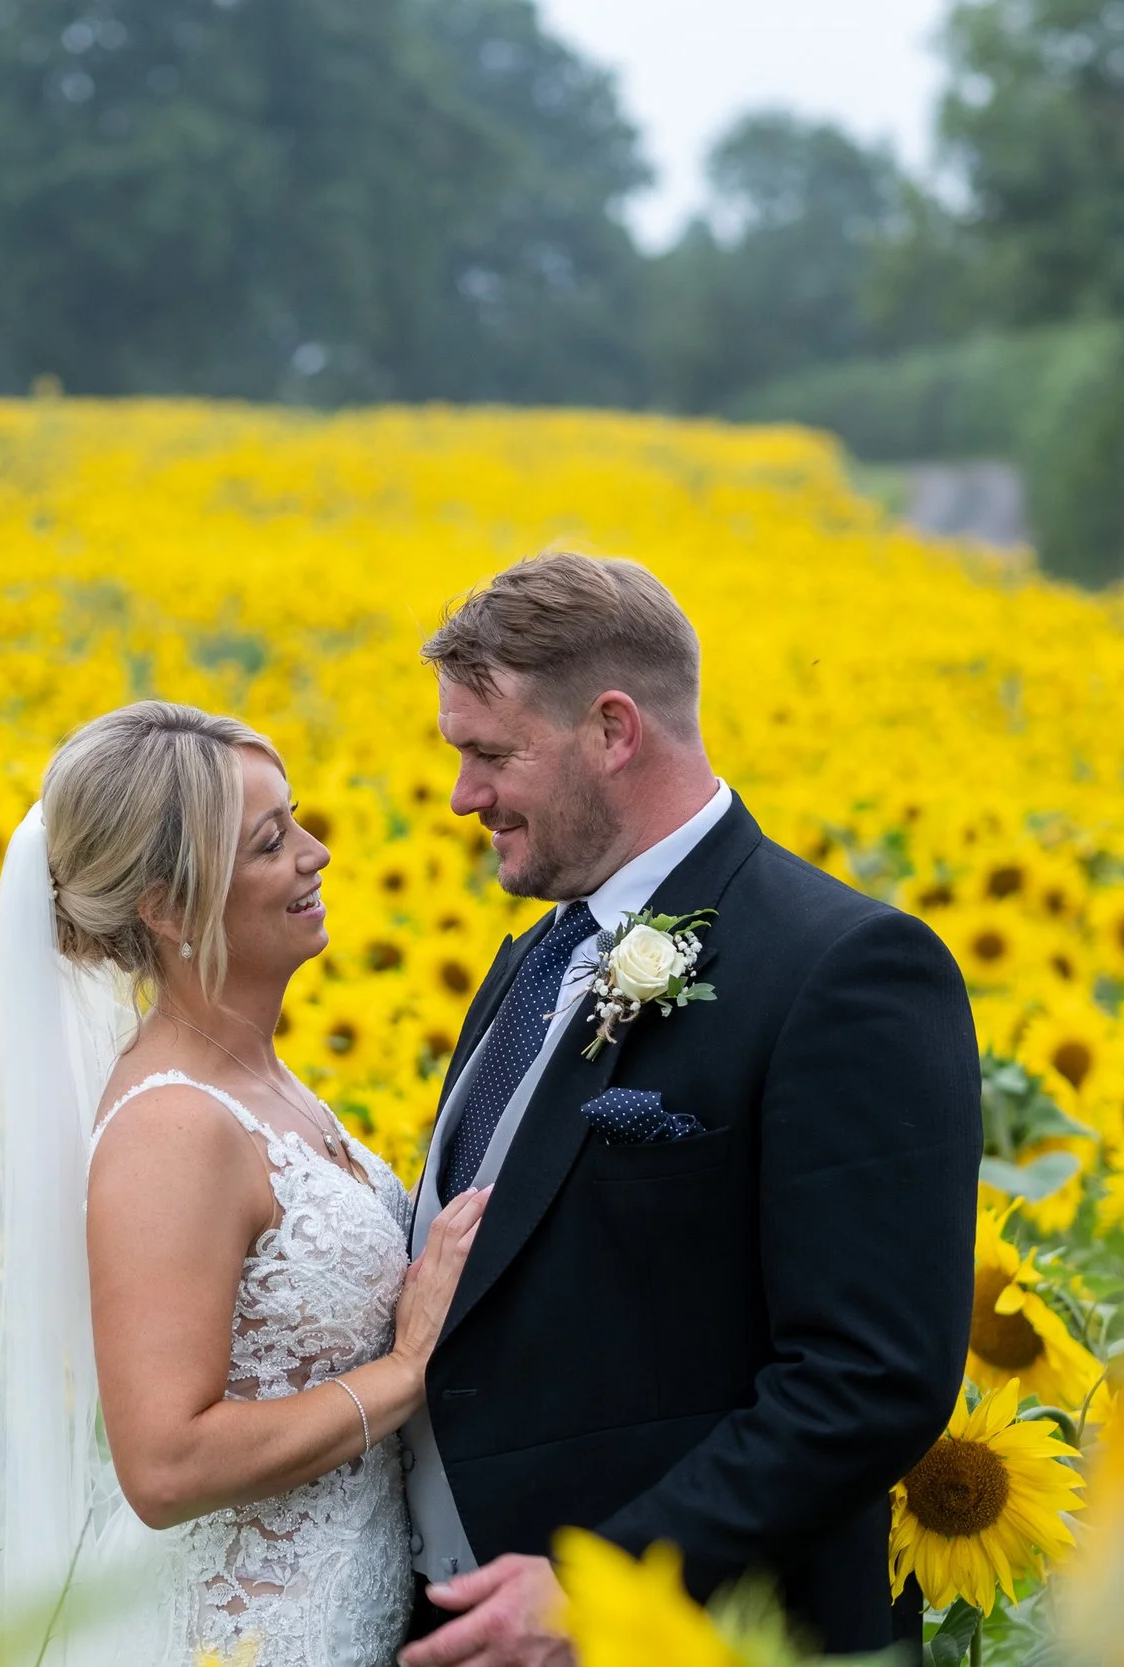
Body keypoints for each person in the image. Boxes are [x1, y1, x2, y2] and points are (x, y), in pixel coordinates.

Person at [395, 551, 980, 1666]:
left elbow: (872, 1376)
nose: (465, 796)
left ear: (612, 731)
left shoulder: (842, 969)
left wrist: (607, 1582)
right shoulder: (535, 960)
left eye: (490, 754)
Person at [0, 701, 486, 1667]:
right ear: (169, 908)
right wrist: (403, 1371)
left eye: (297, 821)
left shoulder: (257, 1078)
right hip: (233, 1639)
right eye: (273, 841)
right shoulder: (172, 1127)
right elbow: (164, 1464)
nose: (317, 853)